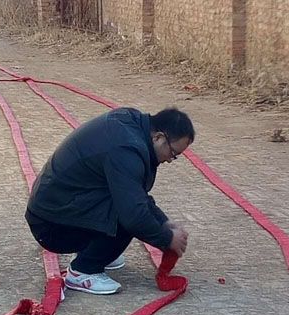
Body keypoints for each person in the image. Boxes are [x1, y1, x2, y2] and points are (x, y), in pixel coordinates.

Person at [25, 107, 195, 295]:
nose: (170, 160)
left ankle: (96, 250)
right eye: (173, 153)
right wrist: (166, 238)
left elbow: (136, 192)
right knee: (128, 213)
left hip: (54, 207)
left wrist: (164, 223)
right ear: (158, 137)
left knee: (128, 200)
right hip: (51, 226)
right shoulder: (127, 150)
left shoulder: (132, 125)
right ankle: (84, 270)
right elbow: (134, 214)